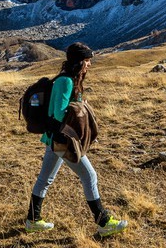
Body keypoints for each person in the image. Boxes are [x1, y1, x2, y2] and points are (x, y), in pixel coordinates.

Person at [25, 42, 128, 237]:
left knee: (45, 179)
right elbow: (58, 113)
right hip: (62, 141)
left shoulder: (69, 79)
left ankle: (32, 220)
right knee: (89, 176)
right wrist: (79, 111)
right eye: (87, 61)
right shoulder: (66, 82)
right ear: (78, 61)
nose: (89, 65)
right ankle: (103, 222)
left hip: (53, 139)